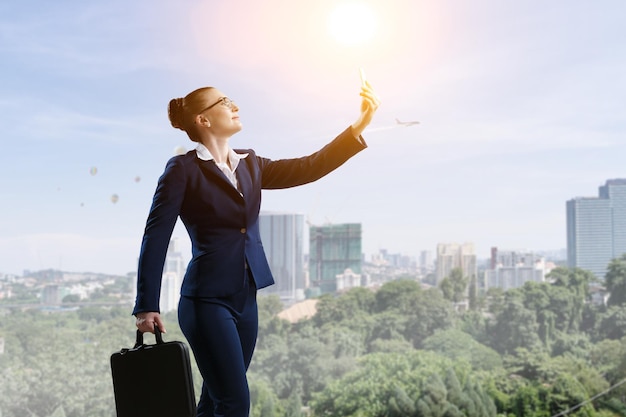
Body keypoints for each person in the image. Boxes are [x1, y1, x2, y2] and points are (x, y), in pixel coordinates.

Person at [132, 79, 380, 417]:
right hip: (206, 301)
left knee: (215, 401)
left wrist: (359, 126)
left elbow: (310, 167)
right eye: (224, 101)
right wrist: (146, 305)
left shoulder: (250, 163)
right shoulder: (183, 170)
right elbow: (155, 235)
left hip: (247, 300)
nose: (234, 106)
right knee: (235, 404)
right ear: (203, 120)